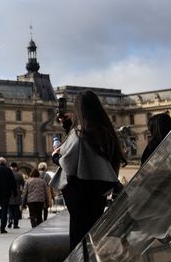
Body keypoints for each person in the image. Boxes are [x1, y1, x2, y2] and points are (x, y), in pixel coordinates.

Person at [50, 90, 126, 250]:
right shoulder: (106, 132)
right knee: (91, 236)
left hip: (79, 197)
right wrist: (68, 126)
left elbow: (70, 162)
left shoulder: (80, 135)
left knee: (78, 242)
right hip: (98, 195)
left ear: (78, 110)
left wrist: (55, 157)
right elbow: (87, 156)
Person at [8, 162, 24, 228]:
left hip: (9, 194)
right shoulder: (19, 175)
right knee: (16, 209)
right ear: (16, 167)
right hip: (17, 194)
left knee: (10, 208)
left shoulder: (8, 174)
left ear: (10, 167)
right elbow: (23, 184)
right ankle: (15, 224)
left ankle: (10, 219)